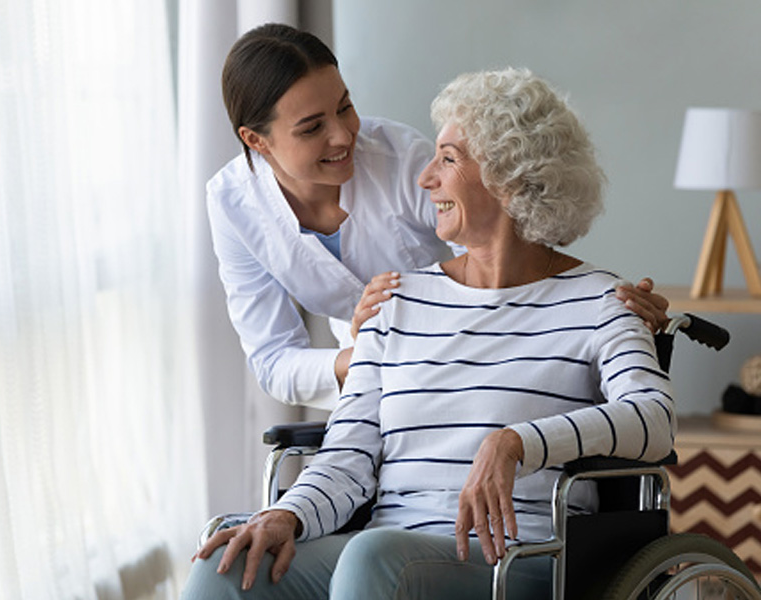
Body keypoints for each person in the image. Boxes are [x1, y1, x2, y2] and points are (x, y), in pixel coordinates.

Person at [183, 66, 676, 600]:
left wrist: (517, 443)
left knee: (376, 559)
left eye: (447, 159)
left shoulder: (601, 301)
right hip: (383, 551)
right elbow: (347, 455)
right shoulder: (395, 302)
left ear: (509, 177)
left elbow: (655, 418)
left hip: (519, 558)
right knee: (227, 568)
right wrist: (286, 515)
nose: (425, 179)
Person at [208, 23, 669, 409]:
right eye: (312, 128)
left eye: (345, 107)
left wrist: (599, 305)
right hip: (376, 391)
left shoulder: (401, 159)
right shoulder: (232, 206)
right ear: (257, 141)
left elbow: (499, 265)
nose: (344, 135)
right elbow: (274, 360)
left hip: (482, 369)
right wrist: (367, 354)